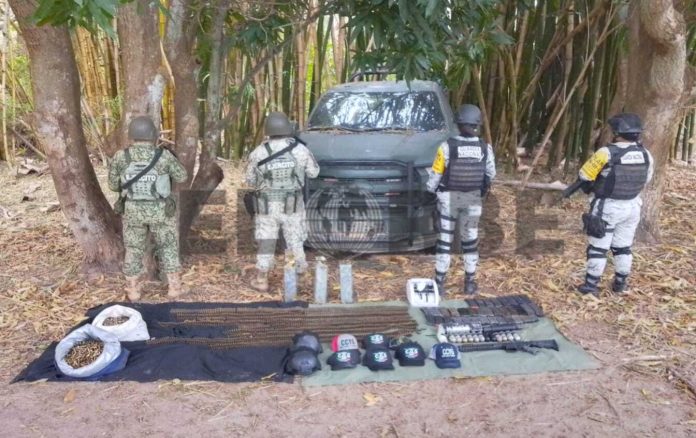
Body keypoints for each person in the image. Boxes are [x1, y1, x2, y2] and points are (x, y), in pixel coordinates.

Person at [108, 115, 188, 301]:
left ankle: (133, 290)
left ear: (131, 134)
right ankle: (175, 288)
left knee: (133, 249)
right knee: (168, 246)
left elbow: (113, 186)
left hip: (133, 211)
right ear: (153, 134)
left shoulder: (121, 157)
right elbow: (182, 176)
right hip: (160, 211)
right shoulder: (163, 156)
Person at [575, 113, 653, 295]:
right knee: (623, 247)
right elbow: (647, 179)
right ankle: (620, 283)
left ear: (617, 133)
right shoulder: (646, 154)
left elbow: (584, 175)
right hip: (633, 206)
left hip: (608, 206)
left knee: (598, 247)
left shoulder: (606, 152)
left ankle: (590, 286)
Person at [245, 112, 320, 292]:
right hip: (292, 205)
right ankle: (301, 278)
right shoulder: (300, 150)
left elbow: (249, 180)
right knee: (295, 241)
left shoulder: (258, 152)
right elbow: (314, 173)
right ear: (287, 128)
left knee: (266, 241)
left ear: (268, 130)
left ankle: (261, 279)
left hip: (267, 207)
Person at [426, 104, 496, 295]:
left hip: (448, 199)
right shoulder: (485, 148)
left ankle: (440, 283)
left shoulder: (447, 147)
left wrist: (430, 190)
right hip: (472, 199)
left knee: (444, 241)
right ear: (477, 125)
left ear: (457, 124)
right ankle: (469, 283)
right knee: (470, 240)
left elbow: (436, 175)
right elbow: (491, 173)